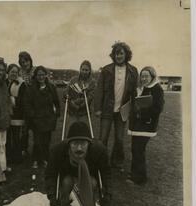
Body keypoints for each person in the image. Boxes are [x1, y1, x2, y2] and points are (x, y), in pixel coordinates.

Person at [45, 122, 111, 206]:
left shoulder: (99, 151)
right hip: (67, 175)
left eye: (83, 144)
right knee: (66, 182)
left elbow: (106, 174)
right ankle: (63, 202)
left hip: (88, 175)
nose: (79, 148)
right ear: (69, 143)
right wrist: (52, 197)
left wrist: (106, 195)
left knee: (93, 183)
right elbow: (50, 175)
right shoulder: (57, 151)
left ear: (89, 143)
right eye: (75, 143)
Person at [94, 42, 138, 171]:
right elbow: (99, 90)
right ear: (113, 55)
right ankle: (100, 162)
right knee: (103, 138)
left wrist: (132, 109)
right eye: (116, 53)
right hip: (107, 109)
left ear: (126, 55)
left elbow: (134, 92)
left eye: (121, 53)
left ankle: (117, 162)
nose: (119, 56)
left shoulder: (133, 70)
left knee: (119, 138)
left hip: (122, 111)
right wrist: (98, 108)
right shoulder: (106, 70)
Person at [127, 66, 164, 185]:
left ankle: (140, 178)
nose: (143, 78)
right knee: (135, 149)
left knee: (138, 150)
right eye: (142, 76)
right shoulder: (140, 88)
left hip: (146, 125)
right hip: (137, 125)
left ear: (152, 76)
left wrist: (141, 113)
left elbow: (158, 108)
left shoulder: (157, 89)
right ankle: (134, 173)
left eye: (146, 76)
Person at [25, 66, 60, 169]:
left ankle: (45, 159)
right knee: (37, 141)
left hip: (48, 118)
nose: (41, 77)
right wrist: (32, 115)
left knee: (46, 140)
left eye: (43, 75)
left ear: (46, 75)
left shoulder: (51, 88)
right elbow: (27, 104)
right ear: (35, 76)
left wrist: (56, 114)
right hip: (36, 119)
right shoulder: (31, 89)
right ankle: (35, 159)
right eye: (39, 75)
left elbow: (56, 102)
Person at [6, 64, 26, 165]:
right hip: (5, 113)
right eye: (12, 71)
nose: (14, 73)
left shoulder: (20, 83)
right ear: (8, 72)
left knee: (16, 136)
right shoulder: (4, 82)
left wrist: (13, 100)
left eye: (15, 72)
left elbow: (23, 99)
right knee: (7, 137)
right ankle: (8, 157)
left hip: (16, 113)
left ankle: (17, 157)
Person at [64, 60, 96, 125]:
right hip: (72, 112)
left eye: (86, 70)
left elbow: (90, 97)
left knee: (83, 132)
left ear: (90, 71)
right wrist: (71, 102)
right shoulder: (73, 80)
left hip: (84, 113)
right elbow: (66, 92)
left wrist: (79, 105)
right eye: (83, 69)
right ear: (80, 69)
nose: (84, 72)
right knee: (71, 131)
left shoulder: (92, 82)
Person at [18, 51, 36, 156]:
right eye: (22, 62)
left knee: (36, 129)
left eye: (26, 61)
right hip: (24, 104)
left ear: (30, 60)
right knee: (24, 129)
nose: (25, 64)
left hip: (35, 104)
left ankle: (36, 151)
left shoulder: (35, 70)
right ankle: (23, 149)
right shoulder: (20, 72)